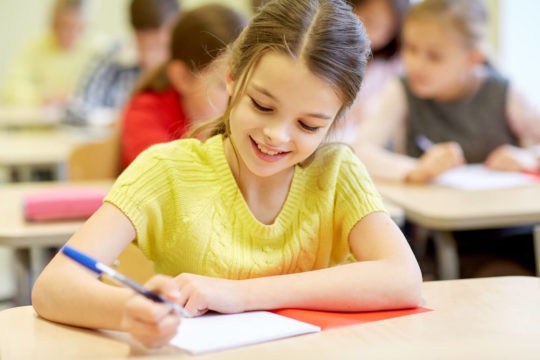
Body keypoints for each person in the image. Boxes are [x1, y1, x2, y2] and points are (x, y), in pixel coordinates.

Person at [32, 0, 422, 349]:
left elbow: (403, 279)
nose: (277, 135)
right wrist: (129, 310)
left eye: (308, 125)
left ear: (338, 120)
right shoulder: (167, 169)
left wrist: (241, 294)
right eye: (262, 105)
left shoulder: (336, 172)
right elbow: (53, 286)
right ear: (232, 78)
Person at [354, 0, 540, 277]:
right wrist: (416, 170)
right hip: (434, 240)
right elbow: (360, 149)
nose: (416, 64)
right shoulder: (402, 91)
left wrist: (525, 156)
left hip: (509, 234)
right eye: (411, 49)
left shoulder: (504, 92)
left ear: (473, 58)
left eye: (434, 56)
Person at [120, 4, 246, 169]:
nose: (236, 98)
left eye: (244, 86)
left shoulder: (243, 118)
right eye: (223, 86)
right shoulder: (145, 112)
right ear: (183, 77)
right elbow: (165, 177)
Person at [63, 0, 180, 126]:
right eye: (142, 44)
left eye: (158, 46)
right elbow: (77, 107)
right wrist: (116, 120)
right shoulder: (111, 58)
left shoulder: (183, 67)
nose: (149, 58)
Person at [0, 0, 110, 107]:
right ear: (51, 22)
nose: (65, 33)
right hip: (36, 122)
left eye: (72, 26)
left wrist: (75, 99)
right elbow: (11, 90)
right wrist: (42, 98)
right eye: (60, 25)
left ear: (85, 26)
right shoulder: (34, 47)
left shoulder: (102, 50)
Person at [332, 0, 409, 143]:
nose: (375, 34)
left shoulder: (390, 66)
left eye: (387, 29)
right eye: (370, 20)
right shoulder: (328, 53)